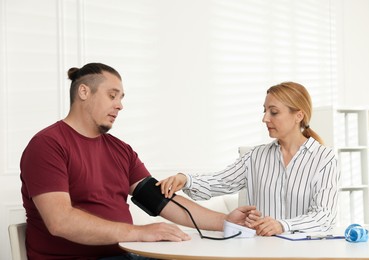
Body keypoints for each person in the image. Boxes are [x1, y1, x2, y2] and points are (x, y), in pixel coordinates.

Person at [20, 62, 256, 260]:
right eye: (112, 95)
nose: (120, 105)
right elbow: (60, 221)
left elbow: (162, 202)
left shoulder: (120, 150)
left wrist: (226, 220)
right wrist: (140, 232)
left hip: (121, 256)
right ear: (84, 92)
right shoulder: (48, 145)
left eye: (121, 98)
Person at [157, 82, 340, 237]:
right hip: (261, 252)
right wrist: (186, 180)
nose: (265, 118)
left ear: (298, 116)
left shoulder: (325, 159)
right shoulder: (255, 157)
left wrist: (282, 225)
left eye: (274, 112)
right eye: (265, 111)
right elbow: (220, 181)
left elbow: (324, 216)